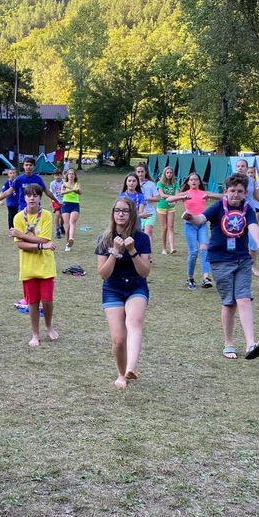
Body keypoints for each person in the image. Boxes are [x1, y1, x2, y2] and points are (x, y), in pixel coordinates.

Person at [183, 172, 259, 360]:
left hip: (242, 260)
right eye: (232, 191)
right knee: (229, 303)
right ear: (226, 191)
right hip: (220, 261)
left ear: (245, 193)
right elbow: (200, 219)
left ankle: (250, 344)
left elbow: (253, 227)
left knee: (244, 299)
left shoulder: (247, 209)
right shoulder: (217, 207)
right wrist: (190, 217)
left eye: (240, 191)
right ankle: (228, 343)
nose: (236, 194)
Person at [96, 197, 151, 389]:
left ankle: (130, 368)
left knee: (134, 321)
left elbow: (144, 272)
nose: (120, 214)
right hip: (113, 288)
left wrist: (132, 250)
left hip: (136, 286)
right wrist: (115, 252)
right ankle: (121, 374)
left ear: (132, 214)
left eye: (125, 211)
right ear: (112, 213)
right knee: (119, 339)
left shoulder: (142, 238)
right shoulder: (104, 238)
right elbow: (103, 274)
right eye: (117, 210)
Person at [9, 184, 58, 347]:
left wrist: (21, 235)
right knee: (33, 302)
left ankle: (49, 326)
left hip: (46, 266)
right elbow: (20, 245)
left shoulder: (46, 215)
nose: (32, 198)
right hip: (28, 267)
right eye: (29, 195)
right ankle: (35, 334)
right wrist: (41, 246)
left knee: (47, 300)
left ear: (40, 198)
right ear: (24, 198)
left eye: (35, 195)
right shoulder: (18, 218)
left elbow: (45, 239)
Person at [167, 172, 221, 289]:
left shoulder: (203, 193)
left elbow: (222, 196)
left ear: (199, 182)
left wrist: (210, 196)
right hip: (189, 224)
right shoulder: (185, 193)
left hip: (201, 224)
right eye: (191, 180)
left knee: (205, 249)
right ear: (188, 182)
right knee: (193, 252)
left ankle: (206, 278)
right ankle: (190, 279)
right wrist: (182, 197)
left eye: (196, 179)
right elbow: (169, 199)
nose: (194, 181)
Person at [235, 160, 259, 277]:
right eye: (238, 166)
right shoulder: (232, 180)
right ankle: (237, 265)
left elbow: (256, 195)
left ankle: (253, 266)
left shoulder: (251, 180)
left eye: (242, 166)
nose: (240, 168)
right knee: (237, 239)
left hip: (250, 212)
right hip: (236, 213)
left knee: (253, 240)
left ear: (247, 168)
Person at [156, 165, 179, 255]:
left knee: (171, 226)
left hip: (171, 206)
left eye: (171, 173)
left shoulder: (175, 183)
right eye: (167, 172)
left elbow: (177, 195)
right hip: (162, 206)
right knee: (164, 228)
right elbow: (162, 195)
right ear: (164, 174)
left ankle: (172, 248)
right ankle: (164, 248)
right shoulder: (160, 183)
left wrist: (174, 198)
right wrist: (173, 197)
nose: (169, 174)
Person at [135, 163, 159, 248]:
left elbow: (158, 198)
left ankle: (148, 252)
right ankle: (141, 251)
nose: (140, 174)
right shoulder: (133, 184)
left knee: (148, 231)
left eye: (142, 171)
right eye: (138, 172)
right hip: (138, 213)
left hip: (149, 212)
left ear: (145, 172)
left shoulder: (151, 184)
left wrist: (146, 198)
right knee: (140, 233)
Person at [60, 168, 82, 251]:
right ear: (67, 175)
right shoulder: (64, 184)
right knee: (67, 225)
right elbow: (62, 192)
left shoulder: (77, 184)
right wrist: (72, 190)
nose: (71, 175)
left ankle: (71, 238)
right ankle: (67, 244)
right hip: (65, 204)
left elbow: (80, 192)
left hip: (75, 204)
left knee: (72, 222)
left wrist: (74, 189)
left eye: (73, 174)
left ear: (75, 176)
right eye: (69, 174)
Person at [49, 169, 65, 238]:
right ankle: (57, 230)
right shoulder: (52, 184)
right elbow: (51, 193)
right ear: (53, 176)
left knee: (63, 216)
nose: (57, 177)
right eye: (55, 175)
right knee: (57, 214)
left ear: (61, 175)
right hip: (55, 201)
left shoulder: (65, 182)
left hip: (64, 201)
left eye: (58, 175)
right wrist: (51, 202)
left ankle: (61, 226)